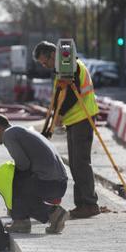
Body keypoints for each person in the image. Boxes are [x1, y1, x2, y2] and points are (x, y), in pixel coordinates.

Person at [33, 40, 100, 219]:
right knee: (76, 163)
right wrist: (52, 119)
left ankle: (89, 203)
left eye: (44, 61)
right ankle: (83, 203)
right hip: (75, 120)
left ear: (53, 54)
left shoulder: (74, 67)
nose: (44, 65)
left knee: (80, 163)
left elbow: (72, 94)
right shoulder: (62, 70)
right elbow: (59, 96)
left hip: (82, 118)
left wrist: (60, 115)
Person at [0, 113, 69, 234]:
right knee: (18, 182)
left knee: (12, 181)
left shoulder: (8, 134)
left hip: (50, 184)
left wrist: (13, 204)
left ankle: (47, 215)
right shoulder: (19, 131)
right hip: (59, 183)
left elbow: (23, 164)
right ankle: (27, 219)